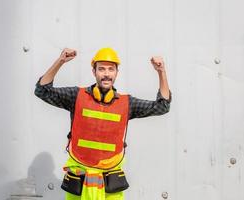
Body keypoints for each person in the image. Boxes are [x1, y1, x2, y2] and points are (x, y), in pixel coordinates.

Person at [34, 47, 172, 200]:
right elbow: (42, 91)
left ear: (116, 73)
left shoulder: (127, 104)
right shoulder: (76, 96)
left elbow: (162, 107)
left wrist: (161, 72)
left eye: (111, 69)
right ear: (94, 72)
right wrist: (60, 61)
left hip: (110, 179)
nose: (106, 74)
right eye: (101, 69)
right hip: (79, 177)